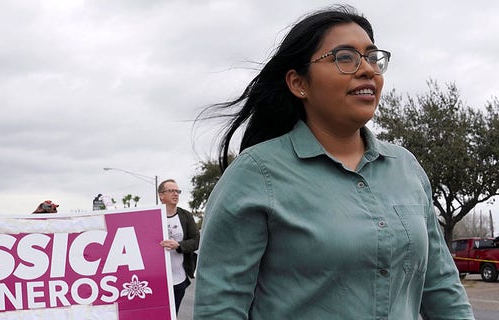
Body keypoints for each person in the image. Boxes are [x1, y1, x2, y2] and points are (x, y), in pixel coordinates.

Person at [193, 5, 473, 320]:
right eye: (345, 57)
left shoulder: (406, 168)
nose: (367, 69)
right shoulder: (255, 174)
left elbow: (442, 287)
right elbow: (219, 308)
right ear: (299, 83)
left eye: (371, 57)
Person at [157, 179, 200, 314]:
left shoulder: (186, 216)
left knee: (172, 314)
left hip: (179, 279)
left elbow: (196, 241)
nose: (175, 194)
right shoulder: (153, 215)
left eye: (177, 191)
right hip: (157, 279)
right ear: (161, 195)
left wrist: (179, 245)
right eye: (171, 191)